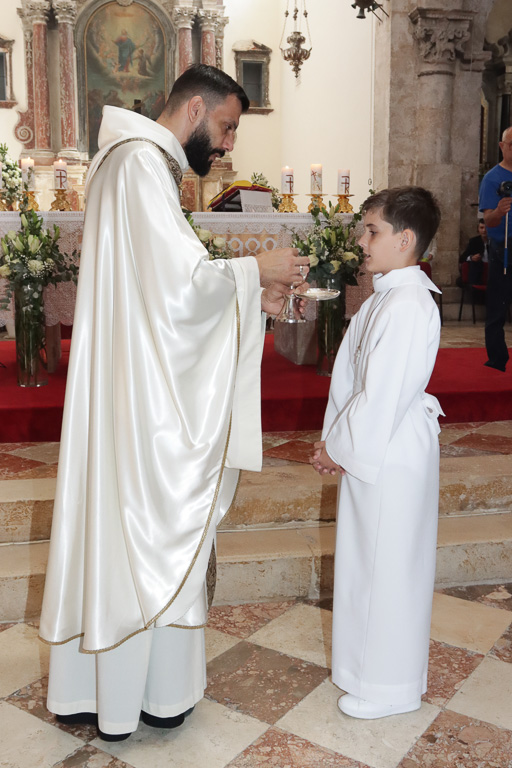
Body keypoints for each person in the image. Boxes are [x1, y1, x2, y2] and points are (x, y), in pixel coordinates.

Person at [39, 64, 309, 741]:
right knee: (152, 526)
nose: (228, 145)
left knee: (121, 529)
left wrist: (251, 294)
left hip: (134, 383)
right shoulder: (138, 164)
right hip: (145, 403)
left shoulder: (132, 162)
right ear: (194, 109)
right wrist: (256, 270)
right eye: (226, 128)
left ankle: (102, 689)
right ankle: (148, 696)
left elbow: (163, 288)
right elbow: (177, 289)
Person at [310, 186, 443, 720]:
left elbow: (383, 392)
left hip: (390, 448)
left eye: (372, 231)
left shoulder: (408, 304)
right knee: (371, 564)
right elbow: (353, 382)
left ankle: (392, 688)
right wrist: (334, 440)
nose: (362, 242)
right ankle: (372, 676)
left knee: (388, 569)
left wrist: (340, 448)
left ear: (405, 239)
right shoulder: (388, 296)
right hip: (377, 443)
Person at [479, 126, 512, 371]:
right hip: (503, 247)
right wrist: (499, 211)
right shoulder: (492, 178)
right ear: (502, 146)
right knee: (498, 305)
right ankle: (497, 359)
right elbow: (488, 220)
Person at [458, 219, 488, 287]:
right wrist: (471, 258)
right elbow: (462, 258)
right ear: (478, 229)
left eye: (486, 228)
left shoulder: (494, 242)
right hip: (478, 271)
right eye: (481, 228)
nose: (484, 230)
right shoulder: (474, 241)